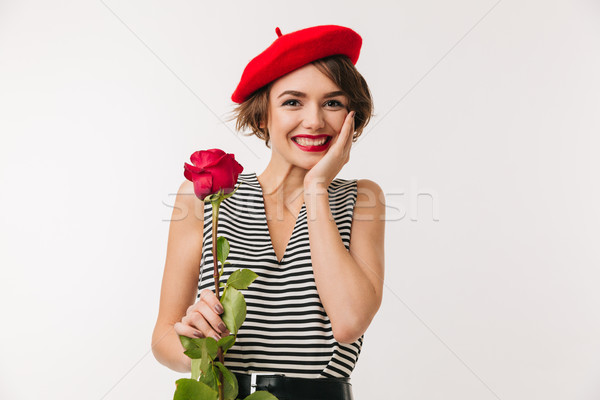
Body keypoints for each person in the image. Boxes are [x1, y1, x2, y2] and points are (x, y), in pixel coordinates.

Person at [152, 25, 386, 400]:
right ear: (263, 117)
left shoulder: (363, 200)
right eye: (293, 102)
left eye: (333, 103)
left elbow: (348, 322)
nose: (314, 121)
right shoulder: (206, 197)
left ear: (351, 117)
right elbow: (163, 336)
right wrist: (195, 345)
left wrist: (317, 188)